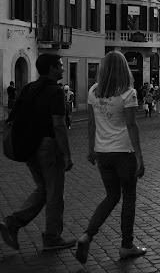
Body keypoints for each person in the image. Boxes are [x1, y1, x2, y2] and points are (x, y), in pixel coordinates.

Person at [75, 51, 146, 264]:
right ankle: (126, 245)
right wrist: (140, 157)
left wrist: (91, 148)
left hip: (102, 152)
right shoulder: (128, 93)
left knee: (111, 196)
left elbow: (91, 122)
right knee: (129, 197)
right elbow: (131, 126)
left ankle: (87, 234)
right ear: (124, 68)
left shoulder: (94, 91)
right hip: (123, 152)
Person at [0, 54, 75, 251]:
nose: (63, 69)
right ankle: (52, 237)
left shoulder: (29, 88)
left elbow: (14, 115)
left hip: (29, 146)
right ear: (51, 69)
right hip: (48, 147)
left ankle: (12, 223)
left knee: (43, 189)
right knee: (55, 194)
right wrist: (67, 154)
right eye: (59, 66)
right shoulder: (55, 92)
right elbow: (58, 124)